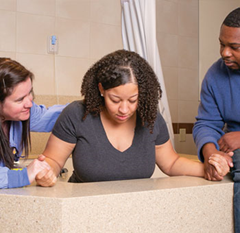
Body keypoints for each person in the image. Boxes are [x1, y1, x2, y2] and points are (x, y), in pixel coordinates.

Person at [35, 49, 229, 187]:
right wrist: (46, 173)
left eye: (133, 100)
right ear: (101, 89)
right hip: (83, 208)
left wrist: (207, 169)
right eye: (115, 99)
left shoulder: (150, 118)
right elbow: (53, 160)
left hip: (135, 209)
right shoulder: (77, 114)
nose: (124, 109)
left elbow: (171, 163)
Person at [192, 7, 240, 233]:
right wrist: (212, 155)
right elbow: (205, 124)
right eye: (222, 44)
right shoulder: (214, 75)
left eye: (234, 47)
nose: (225, 53)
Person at [0, 58, 66, 189]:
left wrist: (90, 106)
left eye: (29, 92)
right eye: (20, 100)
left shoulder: (22, 114)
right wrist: (24, 176)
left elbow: (50, 117)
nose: (29, 103)